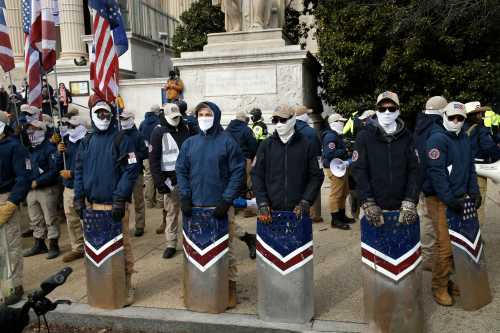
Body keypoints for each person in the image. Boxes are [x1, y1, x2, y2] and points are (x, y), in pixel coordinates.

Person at [176, 101, 245, 308]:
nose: (204, 117)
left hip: (220, 206)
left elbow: (237, 172)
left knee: (227, 249)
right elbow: (181, 170)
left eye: (208, 114)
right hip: (195, 206)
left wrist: (227, 199)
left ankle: (229, 286)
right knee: (192, 249)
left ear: (215, 115)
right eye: (201, 114)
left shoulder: (227, 142)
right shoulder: (190, 143)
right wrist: (185, 196)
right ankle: (195, 287)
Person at [74, 99, 140, 305]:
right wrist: (78, 196)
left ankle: (127, 284)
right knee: (96, 248)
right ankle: (103, 285)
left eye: (106, 114)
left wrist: (120, 198)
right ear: (93, 116)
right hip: (92, 206)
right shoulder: (86, 141)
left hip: (114, 205)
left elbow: (131, 170)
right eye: (99, 114)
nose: (103, 118)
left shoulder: (122, 139)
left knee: (122, 246)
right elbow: (79, 170)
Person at [424, 101, 480, 306]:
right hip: (440, 199)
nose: (456, 121)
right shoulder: (437, 139)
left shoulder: (464, 137)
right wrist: (450, 199)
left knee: (460, 244)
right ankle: (438, 286)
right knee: (445, 247)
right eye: (452, 118)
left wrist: (474, 192)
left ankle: (448, 280)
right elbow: (437, 174)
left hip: (460, 197)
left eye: (460, 118)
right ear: (444, 117)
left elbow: (470, 168)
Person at [352, 90, 419, 230]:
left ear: (398, 110)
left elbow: (414, 169)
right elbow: (359, 170)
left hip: (403, 207)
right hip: (373, 206)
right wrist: (367, 201)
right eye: (382, 109)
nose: (387, 112)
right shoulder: (364, 136)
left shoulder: (407, 136)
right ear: (377, 110)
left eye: (391, 108)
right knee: (374, 250)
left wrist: (411, 199)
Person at [252, 103, 324, 224]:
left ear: (292, 119)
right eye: (275, 120)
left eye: (283, 120)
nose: (279, 124)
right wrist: (262, 202)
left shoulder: (307, 145)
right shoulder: (266, 145)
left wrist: (306, 200)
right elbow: (256, 174)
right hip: (271, 212)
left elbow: (316, 175)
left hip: (299, 211)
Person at [149, 103, 191, 258]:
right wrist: (159, 182)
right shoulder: (158, 132)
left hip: (187, 178)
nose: (176, 120)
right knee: (171, 213)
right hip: (169, 181)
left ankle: (190, 240)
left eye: (177, 117)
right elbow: (153, 160)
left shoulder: (186, 128)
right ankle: (171, 243)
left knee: (189, 210)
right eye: (172, 117)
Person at [414, 96, 448, 271]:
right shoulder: (435, 128)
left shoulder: (420, 126)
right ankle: (430, 259)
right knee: (432, 223)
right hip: (431, 183)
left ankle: (427, 256)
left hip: (421, 181)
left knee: (425, 219)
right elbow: (433, 161)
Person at [0, 111, 31, 305]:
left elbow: (24, 177)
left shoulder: (15, 147)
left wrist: (12, 202)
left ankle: (14, 285)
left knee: (9, 246)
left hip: (6, 198)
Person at [23, 119, 61, 259]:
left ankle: (53, 244)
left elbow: (54, 170)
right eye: (29, 130)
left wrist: (38, 182)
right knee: (35, 218)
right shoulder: (29, 149)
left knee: (50, 218)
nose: (30, 132)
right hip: (31, 189)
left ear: (42, 131)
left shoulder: (49, 148)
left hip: (47, 189)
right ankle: (39, 243)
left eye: (34, 129)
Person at [56, 116, 88, 263]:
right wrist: (58, 152)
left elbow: (91, 167)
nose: (71, 129)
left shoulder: (88, 142)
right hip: (68, 188)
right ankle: (78, 248)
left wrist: (73, 174)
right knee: (72, 220)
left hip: (83, 187)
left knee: (86, 219)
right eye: (69, 126)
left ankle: (91, 248)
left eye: (74, 126)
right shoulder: (66, 142)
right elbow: (58, 165)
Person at [464, 101, 500, 225]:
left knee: (466, 204)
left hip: (462, 170)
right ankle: (476, 238)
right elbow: (488, 146)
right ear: (475, 115)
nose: (482, 115)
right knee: (478, 204)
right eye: (480, 113)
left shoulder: (460, 127)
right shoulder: (480, 128)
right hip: (478, 171)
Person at [120, 110, 148, 237]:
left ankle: (140, 225)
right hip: (123, 173)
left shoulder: (139, 135)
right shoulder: (119, 135)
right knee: (123, 201)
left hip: (136, 173)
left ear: (132, 119)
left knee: (138, 201)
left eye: (126, 119)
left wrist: (133, 156)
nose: (123, 121)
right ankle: (123, 226)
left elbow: (145, 153)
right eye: (122, 119)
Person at [322, 113, 352, 230]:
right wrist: (344, 151)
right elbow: (329, 154)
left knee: (343, 192)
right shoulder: (330, 137)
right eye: (340, 122)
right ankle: (335, 219)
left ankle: (341, 215)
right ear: (334, 123)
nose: (343, 124)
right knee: (336, 194)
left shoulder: (336, 135)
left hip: (340, 166)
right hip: (334, 168)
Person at [139, 105, 162, 210]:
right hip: (158, 155)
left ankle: (148, 203)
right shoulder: (159, 123)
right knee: (159, 176)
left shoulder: (143, 123)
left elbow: (140, 139)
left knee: (148, 177)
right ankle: (159, 202)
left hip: (146, 155)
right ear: (157, 112)